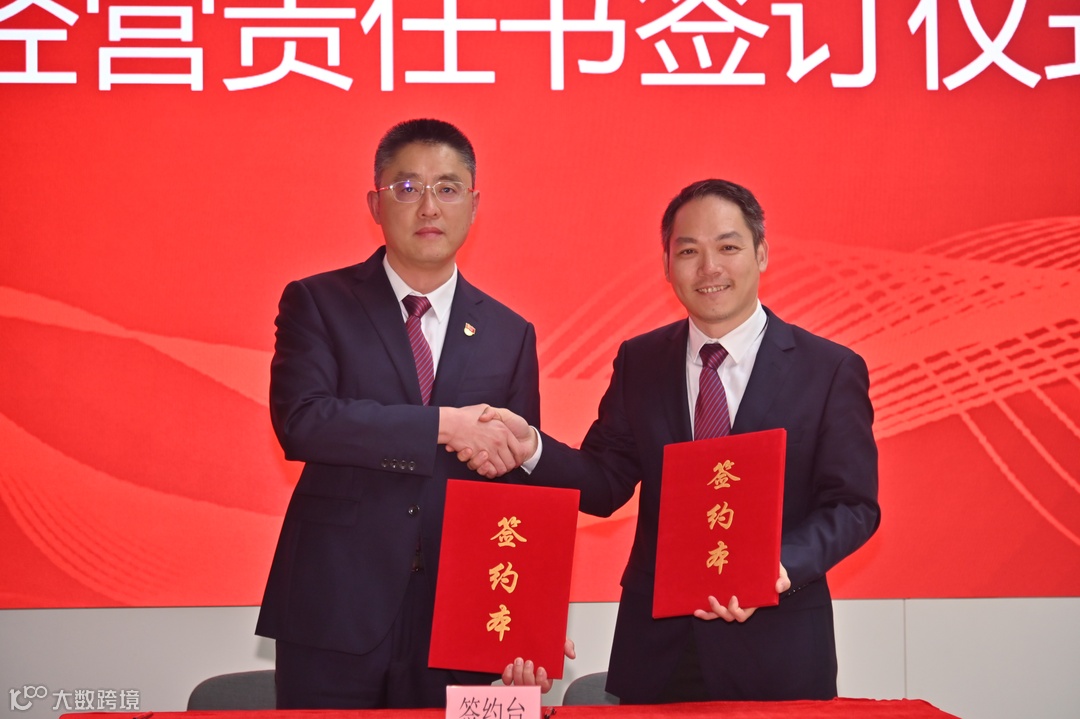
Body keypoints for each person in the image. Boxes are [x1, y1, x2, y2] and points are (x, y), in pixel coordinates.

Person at [470, 179, 880, 703]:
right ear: (666, 265)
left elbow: (852, 506)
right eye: (688, 252)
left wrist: (777, 568)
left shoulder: (828, 369)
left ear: (761, 254)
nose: (709, 268)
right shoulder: (641, 361)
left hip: (778, 650)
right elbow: (605, 482)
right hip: (658, 651)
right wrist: (532, 448)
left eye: (728, 247)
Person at [255, 118, 567, 709]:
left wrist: (528, 617)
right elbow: (303, 422)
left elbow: (515, 495)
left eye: (448, 188)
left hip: (465, 618)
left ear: (473, 206)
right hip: (335, 608)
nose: (429, 206)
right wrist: (442, 425)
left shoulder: (510, 332)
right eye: (407, 187)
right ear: (375, 204)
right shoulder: (318, 302)